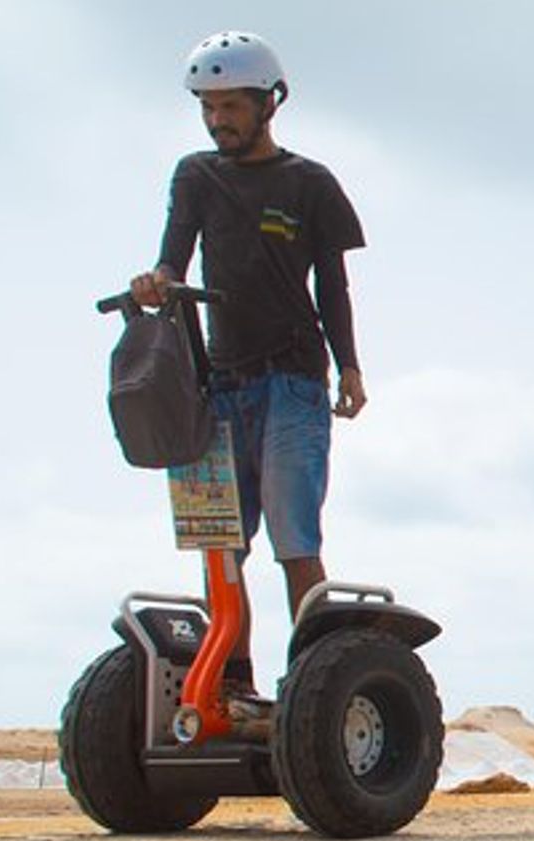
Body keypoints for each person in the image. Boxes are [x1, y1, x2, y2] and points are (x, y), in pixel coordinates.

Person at [129, 30, 368, 696]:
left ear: (269, 103)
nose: (217, 120)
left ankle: (313, 690)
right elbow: (173, 260)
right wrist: (155, 283)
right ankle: (232, 687)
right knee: (220, 549)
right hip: (217, 389)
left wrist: (349, 367)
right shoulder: (196, 175)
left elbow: (333, 286)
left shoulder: (310, 183)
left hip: (293, 381)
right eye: (208, 107)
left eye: (231, 106)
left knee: (296, 542)